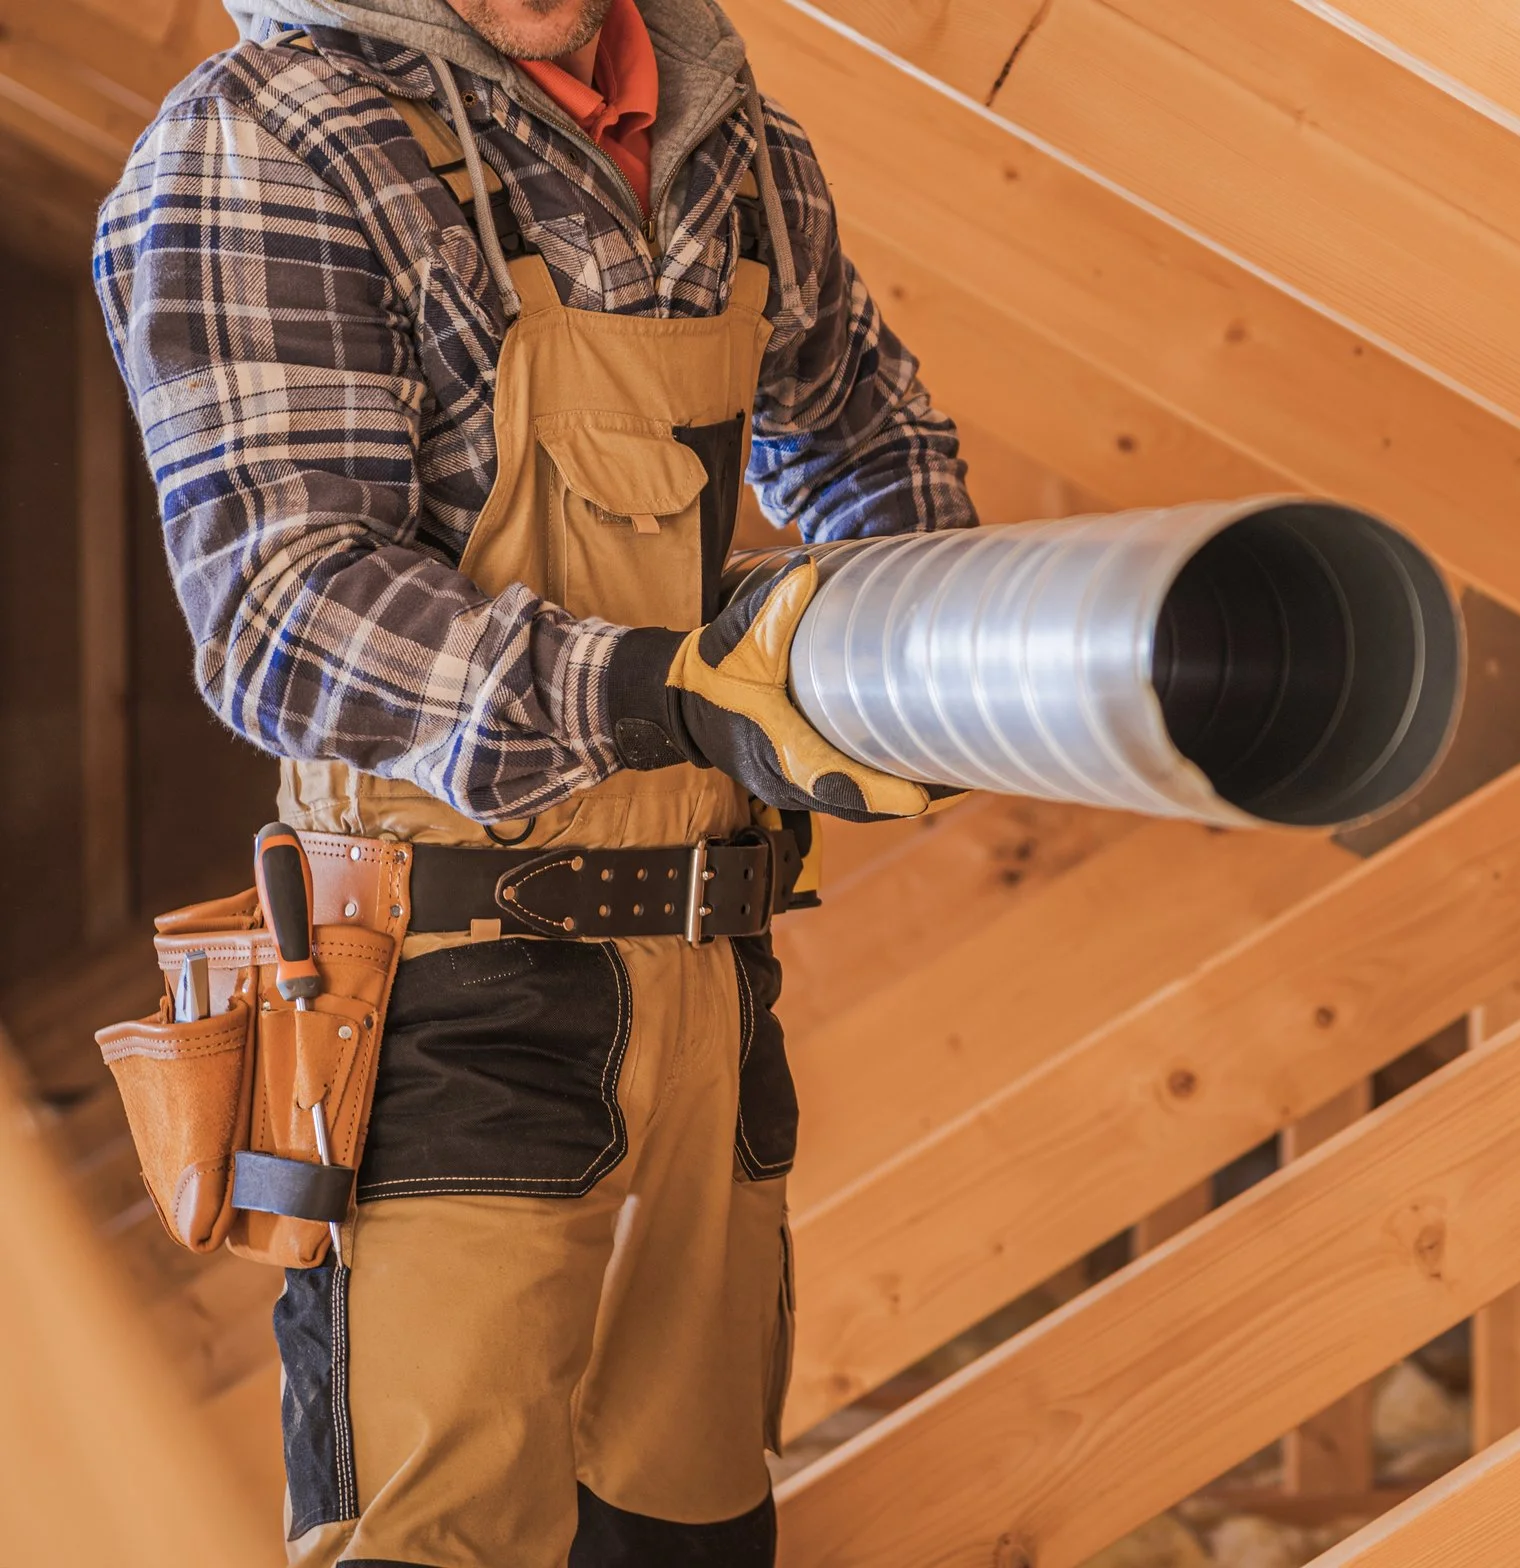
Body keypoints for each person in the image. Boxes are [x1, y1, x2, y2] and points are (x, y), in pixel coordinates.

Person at [93, 0, 976, 1559]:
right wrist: (661, 692)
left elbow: (867, 440)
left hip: (713, 977)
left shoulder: (734, 148)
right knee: (443, 1538)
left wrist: (928, 660)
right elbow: (281, 613)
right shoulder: (271, 135)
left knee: (690, 1530)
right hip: (443, 992)